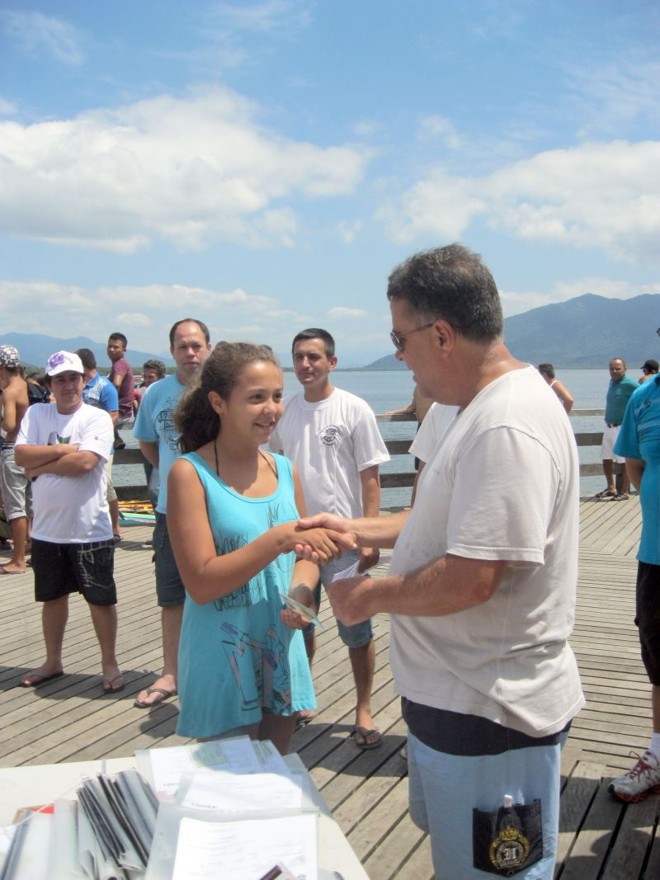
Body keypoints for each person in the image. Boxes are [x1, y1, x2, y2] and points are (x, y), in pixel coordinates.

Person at [297, 244, 585, 879]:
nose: (398, 354)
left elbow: (473, 576)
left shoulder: (506, 423)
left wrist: (368, 596)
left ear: (444, 334)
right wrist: (352, 526)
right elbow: (436, 523)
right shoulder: (469, 407)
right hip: (451, 700)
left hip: (492, 714)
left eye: (400, 339)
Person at [167, 342, 345, 754]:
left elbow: (308, 555)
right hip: (221, 655)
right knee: (229, 785)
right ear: (218, 402)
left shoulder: (285, 470)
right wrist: (278, 539)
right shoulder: (189, 474)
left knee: (277, 775)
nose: (271, 409)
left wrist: (301, 595)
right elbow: (201, 583)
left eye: (277, 396)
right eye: (256, 398)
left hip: (280, 649)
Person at [270, 328, 390, 748]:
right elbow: (273, 467)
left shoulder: (354, 409)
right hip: (300, 539)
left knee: (356, 628)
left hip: (344, 540)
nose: (305, 365)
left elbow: (370, 476)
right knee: (299, 623)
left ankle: (364, 709)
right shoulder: (284, 412)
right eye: (299, 357)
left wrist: (369, 536)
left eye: (314, 357)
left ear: (331, 362)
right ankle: (301, 698)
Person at [14, 351, 123, 693]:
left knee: (101, 600)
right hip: (47, 530)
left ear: (83, 380)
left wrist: (41, 465)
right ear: (49, 384)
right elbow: (20, 455)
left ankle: (109, 663)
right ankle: (52, 661)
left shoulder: (97, 418)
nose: (68, 385)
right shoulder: (37, 412)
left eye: (74, 378)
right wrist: (64, 450)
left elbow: (87, 464)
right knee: (52, 597)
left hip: (90, 530)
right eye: (60, 379)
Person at [132, 319, 212, 708]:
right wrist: (169, 477)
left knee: (221, 591)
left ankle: (217, 666)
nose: (190, 353)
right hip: (169, 512)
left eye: (197, 345)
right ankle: (172, 672)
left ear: (209, 348)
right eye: (183, 347)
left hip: (216, 510)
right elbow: (148, 442)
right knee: (171, 594)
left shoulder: (221, 390)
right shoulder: (155, 394)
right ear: (172, 352)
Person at [609, 372, 660, 800]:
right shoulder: (644, 398)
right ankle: (659, 756)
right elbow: (635, 464)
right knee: (658, 659)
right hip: (655, 553)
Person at [76, 348, 122, 542]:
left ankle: (114, 526)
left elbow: (114, 413)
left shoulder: (105, 386)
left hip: (102, 447)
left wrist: (96, 432)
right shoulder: (78, 385)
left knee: (106, 487)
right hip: (79, 447)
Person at [0, 344, 30, 574]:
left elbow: (10, 424)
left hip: (11, 448)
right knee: (31, 504)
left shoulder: (10, 391)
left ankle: (17, 559)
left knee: (15, 507)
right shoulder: (26, 386)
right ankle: (32, 549)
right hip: (28, 448)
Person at [595, 358, 637, 500]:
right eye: (612, 368)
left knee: (624, 460)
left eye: (618, 368)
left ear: (625, 369)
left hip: (622, 427)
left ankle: (624, 491)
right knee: (606, 458)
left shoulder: (630, 384)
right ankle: (611, 488)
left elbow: (642, 396)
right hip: (609, 425)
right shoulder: (612, 382)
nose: (614, 371)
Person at [133, 359, 167, 506]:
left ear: (161, 377)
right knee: (152, 488)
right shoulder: (145, 395)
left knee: (156, 488)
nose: (146, 380)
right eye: (145, 377)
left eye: (151, 377)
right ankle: (158, 518)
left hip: (164, 448)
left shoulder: (167, 396)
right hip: (149, 446)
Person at [107, 332, 135, 449]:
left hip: (121, 410)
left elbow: (117, 383)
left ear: (124, 350)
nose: (112, 350)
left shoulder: (120, 364)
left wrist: (108, 402)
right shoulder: (120, 364)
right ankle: (116, 440)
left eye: (116, 347)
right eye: (110, 346)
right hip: (125, 409)